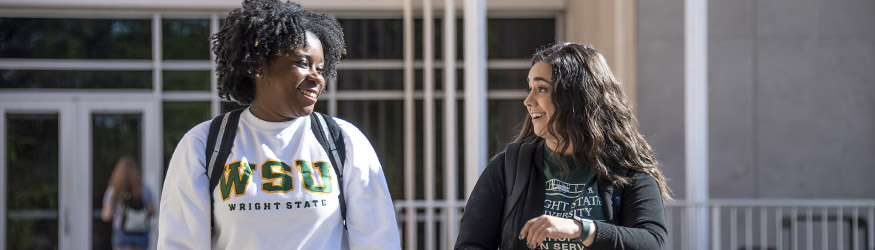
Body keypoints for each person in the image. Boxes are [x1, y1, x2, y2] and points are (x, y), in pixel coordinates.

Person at [157, 0, 401, 249]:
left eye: (320, 68)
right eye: (302, 63)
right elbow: (180, 243)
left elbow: (378, 240)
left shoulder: (344, 141)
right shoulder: (204, 144)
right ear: (259, 65)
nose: (317, 77)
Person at [455, 43, 672, 250]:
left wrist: (578, 229)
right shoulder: (508, 167)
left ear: (576, 97)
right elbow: (470, 244)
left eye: (541, 89)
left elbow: (651, 241)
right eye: (530, 88)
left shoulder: (627, 168)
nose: (528, 100)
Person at [103, 156, 156, 250]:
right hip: (141, 233)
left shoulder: (113, 191)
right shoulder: (145, 189)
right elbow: (152, 211)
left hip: (121, 232)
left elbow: (107, 215)